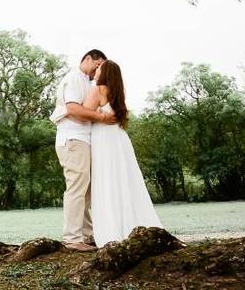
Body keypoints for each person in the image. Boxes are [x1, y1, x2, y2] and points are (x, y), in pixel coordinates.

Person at [82, 60, 162, 246]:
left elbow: (83, 112)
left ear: (105, 73)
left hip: (103, 140)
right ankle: (129, 220)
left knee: (106, 181)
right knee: (123, 180)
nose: (96, 70)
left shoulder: (99, 89)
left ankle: (111, 228)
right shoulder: (117, 92)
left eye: (99, 68)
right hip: (119, 139)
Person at [49, 49, 117, 251]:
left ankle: (87, 235)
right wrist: (103, 117)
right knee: (77, 188)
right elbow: (73, 109)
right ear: (88, 59)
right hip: (72, 139)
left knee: (86, 190)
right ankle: (72, 238)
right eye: (97, 66)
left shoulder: (89, 82)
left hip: (84, 140)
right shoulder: (72, 79)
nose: (99, 70)